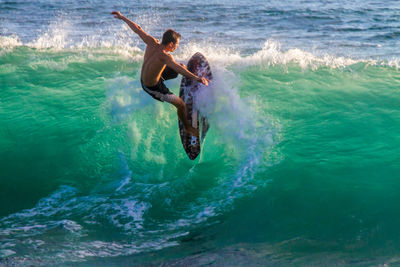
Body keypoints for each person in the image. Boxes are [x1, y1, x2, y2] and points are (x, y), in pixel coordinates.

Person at [111, 11, 209, 136]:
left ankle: (188, 80)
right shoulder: (165, 57)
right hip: (151, 87)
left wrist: (123, 17)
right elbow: (178, 70)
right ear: (171, 44)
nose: (176, 47)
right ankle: (187, 128)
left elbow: (138, 29)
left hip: (150, 76)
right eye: (176, 45)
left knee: (182, 66)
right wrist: (198, 78)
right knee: (181, 105)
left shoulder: (151, 42)